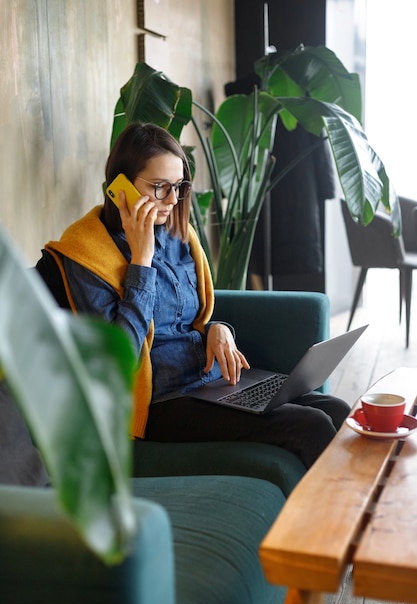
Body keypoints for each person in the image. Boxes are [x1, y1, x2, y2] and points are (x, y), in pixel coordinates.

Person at [42, 122, 350, 469]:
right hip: (162, 403)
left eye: (178, 187)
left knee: (336, 410)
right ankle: (334, 521)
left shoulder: (178, 235)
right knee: (312, 426)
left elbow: (189, 318)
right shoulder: (86, 254)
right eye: (160, 188)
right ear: (120, 187)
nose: (173, 201)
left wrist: (218, 328)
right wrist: (141, 264)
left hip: (210, 384)